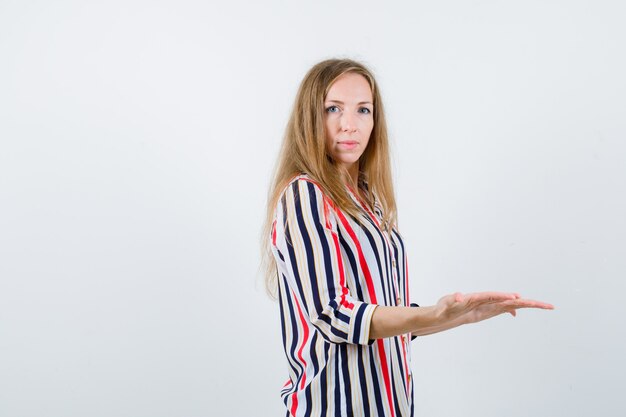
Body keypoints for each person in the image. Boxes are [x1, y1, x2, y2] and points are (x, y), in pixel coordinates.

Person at [260, 58, 554, 417]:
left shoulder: (369, 201)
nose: (349, 124)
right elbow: (334, 315)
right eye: (332, 108)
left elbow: (379, 314)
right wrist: (433, 313)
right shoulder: (305, 194)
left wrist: (461, 316)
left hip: (391, 404)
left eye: (363, 110)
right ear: (309, 117)